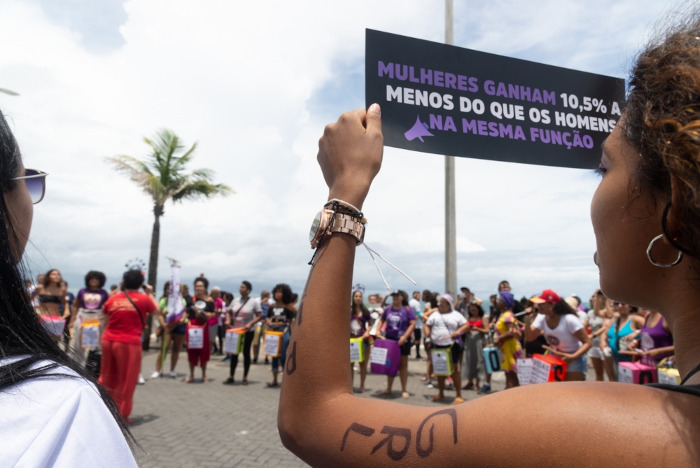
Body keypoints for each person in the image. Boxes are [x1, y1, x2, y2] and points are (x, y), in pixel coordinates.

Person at [280, 14, 700, 462]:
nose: (596, 191)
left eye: (605, 167)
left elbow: (311, 419)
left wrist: (344, 192)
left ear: (674, 199)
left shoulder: (606, 431)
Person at [0, 112, 138, 465]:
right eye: (26, 181)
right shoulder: (61, 407)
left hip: (79, 326)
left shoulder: (79, 292)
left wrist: (66, 316)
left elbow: (78, 306)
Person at [99, 269, 159, 424]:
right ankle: (121, 413)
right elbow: (158, 311)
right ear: (140, 283)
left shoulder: (113, 298)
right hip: (128, 342)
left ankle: (102, 409)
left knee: (106, 376)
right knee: (127, 379)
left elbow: (105, 320)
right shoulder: (144, 299)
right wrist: (150, 293)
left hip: (108, 339)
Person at [526, 289, 592, 381]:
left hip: (572, 357)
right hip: (555, 357)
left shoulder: (569, 320)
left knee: (572, 390)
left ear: (552, 305)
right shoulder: (542, 317)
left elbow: (587, 343)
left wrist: (572, 357)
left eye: (541, 304)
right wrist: (527, 321)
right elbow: (530, 337)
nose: (538, 306)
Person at [424, 294, 469, 404]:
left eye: (443, 302)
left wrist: (458, 331)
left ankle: (458, 394)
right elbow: (427, 324)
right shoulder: (434, 314)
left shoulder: (456, 315)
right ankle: (441, 393)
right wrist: (427, 333)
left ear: (448, 304)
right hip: (437, 345)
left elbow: (466, 325)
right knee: (440, 370)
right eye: (439, 302)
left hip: (451, 345)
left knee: (454, 370)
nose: (440, 304)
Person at [374, 290, 416, 398]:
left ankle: (404, 389)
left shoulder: (407, 309)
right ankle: (388, 388)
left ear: (402, 297)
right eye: (394, 296)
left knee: (403, 365)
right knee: (390, 364)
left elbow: (413, 324)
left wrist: (405, 336)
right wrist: (378, 331)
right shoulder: (388, 309)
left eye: (397, 296)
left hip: (402, 340)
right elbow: (381, 320)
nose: (395, 298)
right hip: (390, 339)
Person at [68, 270, 109, 366]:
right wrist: (72, 320)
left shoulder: (104, 293)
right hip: (83, 316)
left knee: (95, 345)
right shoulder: (82, 291)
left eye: (96, 279)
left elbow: (107, 307)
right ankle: (77, 365)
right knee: (78, 342)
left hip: (97, 317)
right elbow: (76, 306)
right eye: (92, 278)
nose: (94, 280)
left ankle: (92, 366)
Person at [224, 280, 262, 385]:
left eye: (243, 287)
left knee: (246, 353)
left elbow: (259, 316)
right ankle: (231, 376)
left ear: (248, 290)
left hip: (248, 331)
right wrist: (227, 320)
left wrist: (251, 323)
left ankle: (245, 377)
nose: (240, 289)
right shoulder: (235, 301)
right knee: (234, 354)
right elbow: (228, 311)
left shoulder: (253, 302)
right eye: (240, 287)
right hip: (236, 331)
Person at [184, 276, 215, 383]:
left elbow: (213, 313)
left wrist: (209, 314)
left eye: (201, 286)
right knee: (191, 350)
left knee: (204, 351)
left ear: (205, 287)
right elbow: (186, 311)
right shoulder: (190, 299)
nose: (198, 288)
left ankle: (204, 375)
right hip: (192, 326)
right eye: (197, 286)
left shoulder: (209, 300)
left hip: (203, 326)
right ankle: (191, 375)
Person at [265, 283, 295, 388]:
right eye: (276, 291)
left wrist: (292, 336)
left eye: (280, 292)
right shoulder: (271, 306)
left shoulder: (288, 307)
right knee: (274, 355)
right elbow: (267, 317)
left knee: (283, 355)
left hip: (284, 331)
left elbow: (291, 322)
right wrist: (268, 322)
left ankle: (286, 381)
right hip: (273, 332)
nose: (277, 294)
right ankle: (274, 380)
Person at [493, 290, 522, 389]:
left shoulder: (508, 316)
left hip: (510, 347)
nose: (497, 301)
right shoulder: (504, 315)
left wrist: (499, 338)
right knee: (510, 375)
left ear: (505, 302)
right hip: (506, 347)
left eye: (500, 300)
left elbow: (511, 332)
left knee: (511, 375)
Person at [587, 289, 616, 381]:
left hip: (605, 344)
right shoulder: (593, 313)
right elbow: (596, 312)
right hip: (596, 344)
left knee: (611, 374)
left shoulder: (610, 311)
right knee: (599, 373)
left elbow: (610, 315)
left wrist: (606, 298)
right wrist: (598, 297)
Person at [462, 302, 488, 391]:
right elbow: (463, 328)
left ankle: (477, 383)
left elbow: (487, 330)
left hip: (478, 342)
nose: (473, 312)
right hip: (469, 341)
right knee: (469, 361)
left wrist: (478, 329)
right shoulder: (468, 318)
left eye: (474, 310)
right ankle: (470, 381)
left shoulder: (482, 318)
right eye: (471, 310)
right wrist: (467, 329)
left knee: (478, 361)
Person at [350, 289, 372, 392]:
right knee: (350, 365)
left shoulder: (365, 311)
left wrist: (367, 332)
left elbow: (371, 324)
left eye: (360, 296)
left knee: (363, 365)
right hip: (351, 341)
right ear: (353, 298)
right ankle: (350, 386)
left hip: (363, 341)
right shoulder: (349, 310)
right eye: (356, 296)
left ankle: (362, 385)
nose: (358, 298)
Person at [409, 291, 423, 359]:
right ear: (415, 295)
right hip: (417, 324)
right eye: (419, 295)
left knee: (414, 338)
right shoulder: (416, 303)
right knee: (418, 339)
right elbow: (418, 313)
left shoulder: (410, 302)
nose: (420, 297)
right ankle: (416, 353)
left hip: (411, 323)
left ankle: (411, 349)